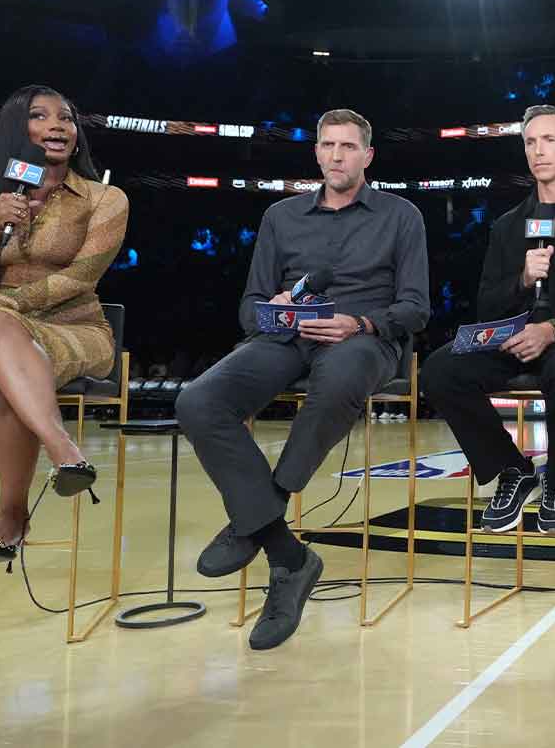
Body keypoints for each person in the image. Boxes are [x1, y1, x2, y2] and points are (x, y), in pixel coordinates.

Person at [175, 109, 429, 651]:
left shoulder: (401, 215)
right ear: (316, 152)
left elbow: (415, 307)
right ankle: (288, 555)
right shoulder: (281, 217)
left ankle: (262, 509)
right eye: (328, 146)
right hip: (285, 336)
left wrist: (361, 322)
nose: (337, 156)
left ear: (368, 156)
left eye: (348, 147)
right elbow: (248, 307)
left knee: (338, 381)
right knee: (198, 400)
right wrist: (274, 309)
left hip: (362, 336)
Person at [0, 85, 128, 565]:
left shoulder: (104, 197)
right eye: (42, 116)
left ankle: (11, 514)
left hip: (75, 330)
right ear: (18, 130)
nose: (59, 125)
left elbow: (81, 278)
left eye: (67, 118)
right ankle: (66, 452)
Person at [422, 105, 555, 533]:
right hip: (516, 336)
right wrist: (522, 278)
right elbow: (488, 304)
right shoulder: (508, 225)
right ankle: (513, 470)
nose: (539, 151)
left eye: (549, 140)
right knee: (441, 369)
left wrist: (552, 328)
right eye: (530, 142)